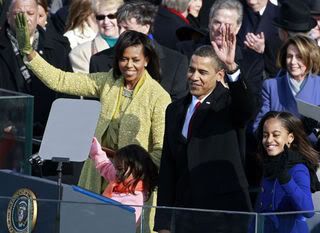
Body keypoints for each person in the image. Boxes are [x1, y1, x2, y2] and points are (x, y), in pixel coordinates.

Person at [15, 10, 171, 192]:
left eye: (135, 60)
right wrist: (29, 53)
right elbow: (60, 80)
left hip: (133, 184)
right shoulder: (107, 81)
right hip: (97, 173)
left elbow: (160, 150)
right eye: (123, 59)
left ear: (146, 60)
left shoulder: (158, 96)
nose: (129, 65)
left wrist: (134, 174)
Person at [154, 44, 256, 233]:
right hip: (185, 214)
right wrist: (163, 222)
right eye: (191, 70)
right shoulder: (174, 110)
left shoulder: (228, 104)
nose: (194, 77)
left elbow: (247, 107)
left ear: (219, 75)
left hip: (225, 215)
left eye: (202, 72)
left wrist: (232, 68)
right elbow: (168, 168)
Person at [0, 0, 73, 139]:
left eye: (30, 13)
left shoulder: (57, 47)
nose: (25, 18)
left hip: (48, 133)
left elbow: (67, 91)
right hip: (7, 135)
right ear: (8, 16)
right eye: (18, 14)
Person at [89, 1, 189, 101]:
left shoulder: (176, 62)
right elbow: (94, 103)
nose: (121, 33)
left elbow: (177, 106)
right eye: (119, 27)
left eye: (127, 28)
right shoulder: (99, 60)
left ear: (146, 27)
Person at [251, 111, 320, 233]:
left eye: (276, 135)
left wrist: (285, 179)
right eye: (265, 135)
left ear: (290, 138)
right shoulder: (268, 165)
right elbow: (260, 210)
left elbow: (308, 211)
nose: (269, 140)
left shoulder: (298, 168)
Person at [253, 35, 320, 144]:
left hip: (313, 154)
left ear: (310, 58)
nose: (293, 62)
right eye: (289, 56)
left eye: (299, 57)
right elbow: (258, 128)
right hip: (281, 155)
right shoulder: (271, 86)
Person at [89, 137, 158, 226]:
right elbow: (104, 165)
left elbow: (125, 223)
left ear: (137, 169)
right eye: (116, 168)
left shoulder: (135, 197)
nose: (116, 173)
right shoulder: (120, 177)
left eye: (120, 169)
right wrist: (93, 144)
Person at [69, 0, 123, 73]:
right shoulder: (81, 53)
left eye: (111, 16)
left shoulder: (136, 45)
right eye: (100, 17)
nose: (106, 22)